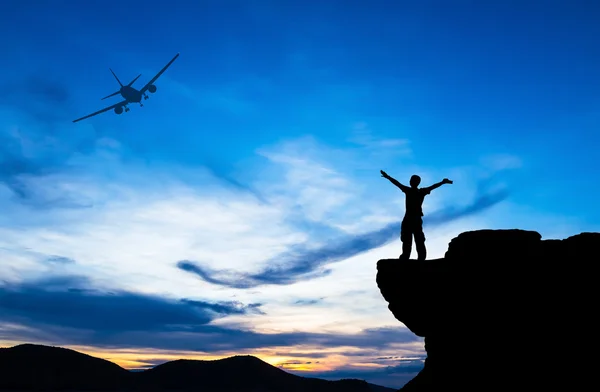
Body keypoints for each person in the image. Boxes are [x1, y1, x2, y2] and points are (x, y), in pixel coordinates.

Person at [381, 170, 453, 261]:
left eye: (413, 180)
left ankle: (418, 257)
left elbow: (397, 183)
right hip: (410, 219)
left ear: (416, 182)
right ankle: (407, 256)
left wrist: (442, 182)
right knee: (408, 239)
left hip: (414, 219)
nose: (411, 181)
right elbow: (397, 183)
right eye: (411, 180)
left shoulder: (416, 191)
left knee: (417, 239)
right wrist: (442, 182)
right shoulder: (415, 191)